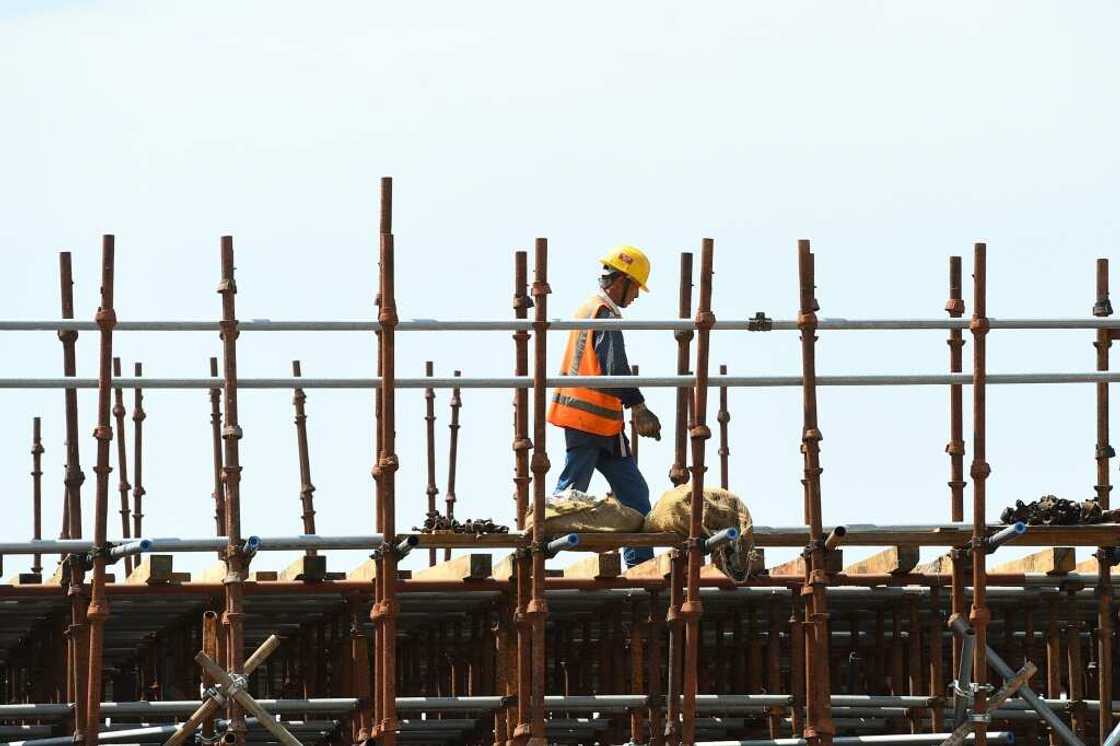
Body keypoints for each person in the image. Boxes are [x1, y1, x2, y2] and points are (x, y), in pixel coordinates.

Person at [547, 245, 662, 567]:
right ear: (622, 280)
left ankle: (641, 565)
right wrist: (638, 406)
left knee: (635, 495)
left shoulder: (591, 308)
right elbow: (613, 368)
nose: (637, 296)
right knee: (569, 496)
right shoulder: (602, 312)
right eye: (636, 287)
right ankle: (534, 551)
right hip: (585, 420)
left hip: (606, 424)